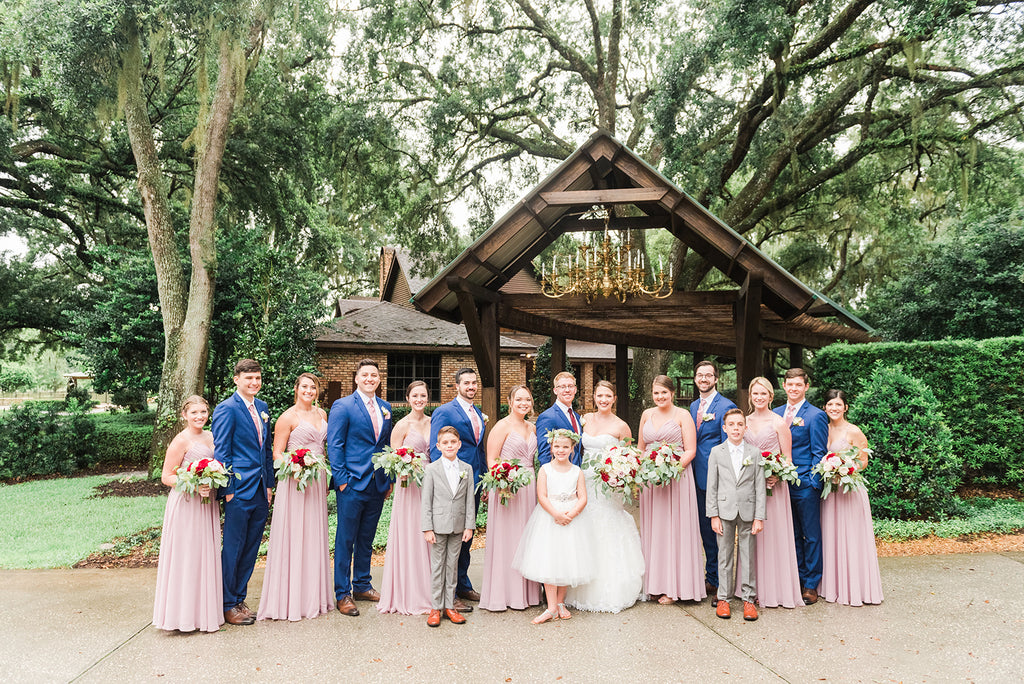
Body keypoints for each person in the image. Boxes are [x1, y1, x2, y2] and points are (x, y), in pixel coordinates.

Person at [257, 373, 332, 621]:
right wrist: (296, 467)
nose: (309, 391)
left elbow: (323, 448)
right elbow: (276, 453)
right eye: (305, 387)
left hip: (317, 479)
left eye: (313, 387)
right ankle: (290, 598)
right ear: (296, 389)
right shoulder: (287, 417)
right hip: (295, 480)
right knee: (295, 533)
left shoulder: (322, 415)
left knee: (313, 534)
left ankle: (313, 595)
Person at [565, 380, 645, 613]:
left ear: (614, 399)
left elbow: (632, 459)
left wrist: (622, 479)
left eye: (608, 396)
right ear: (594, 397)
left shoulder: (621, 426)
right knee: (586, 526)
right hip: (585, 481)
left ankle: (611, 587)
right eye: (600, 396)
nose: (603, 400)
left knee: (608, 527)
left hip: (609, 486)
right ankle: (580, 582)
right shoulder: (584, 420)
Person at [327, 359, 393, 617]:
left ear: (378, 379)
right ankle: (342, 593)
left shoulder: (385, 408)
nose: (369, 379)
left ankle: (362, 585)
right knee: (345, 538)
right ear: (356, 378)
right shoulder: (343, 406)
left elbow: (385, 445)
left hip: (377, 483)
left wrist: (388, 479)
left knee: (367, 538)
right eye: (365, 375)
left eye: (374, 375)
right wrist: (342, 479)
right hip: (352, 483)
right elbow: (335, 444)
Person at [212, 359, 275, 626]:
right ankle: (227, 604)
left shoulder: (263, 408)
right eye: (249, 378)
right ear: (236, 379)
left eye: (258, 378)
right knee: (234, 548)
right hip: (238, 490)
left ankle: (239, 598)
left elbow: (266, 449)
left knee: (251, 548)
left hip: (260, 490)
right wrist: (227, 489)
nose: (254, 383)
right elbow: (222, 451)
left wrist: (270, 484)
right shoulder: (226, 409)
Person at [153, 396, 223, 632]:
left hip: (207, 503)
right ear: (184, 415)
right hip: (186, 504)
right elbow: (166, 477)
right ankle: (181, 616)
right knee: (187, 556)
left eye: (203, 412)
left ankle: (204, 614)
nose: (199, 416)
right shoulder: (180, 441)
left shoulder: (212, 436)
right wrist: (194, 484)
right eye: (194, 413)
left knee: (205, 554)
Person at [513, 430, 595, 624]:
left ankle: (560, 603)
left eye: (565, 447)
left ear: (572, 448)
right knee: (549, 559)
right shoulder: (545, 470)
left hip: (571, 518)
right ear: (551, 447)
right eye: (557, 446)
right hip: (549, 517)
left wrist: (571, 514)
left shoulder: (577, 471)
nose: (561, 450)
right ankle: (550, 607)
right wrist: (556, 514)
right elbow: (542, 496)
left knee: (567, 559)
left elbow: (583, 497)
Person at [638, 375, 704, 604]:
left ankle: (674, 587)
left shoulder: (683, 415)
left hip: (676, 478)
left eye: (663, 393)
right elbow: (641, 448)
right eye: (656, 393)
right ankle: (655, 584)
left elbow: (690, 450)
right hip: (651, 483)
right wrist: (642, 474)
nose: (659, 397)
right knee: (655, 530)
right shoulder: (646, 414)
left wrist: (669, 470)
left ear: (672, 393)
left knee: (674, 530)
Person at [739, 376, 802, 608]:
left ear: (771, 396)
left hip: (772, 488)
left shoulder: (779, 423)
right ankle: (749, 588)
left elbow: (787, 458)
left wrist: (776, 474)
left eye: (763, 393)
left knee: (772, 535)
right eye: (755, 394)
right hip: (747, 487)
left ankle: (774, 588)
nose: (759, 397)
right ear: (750, 396)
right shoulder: (743, 422)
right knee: (750, 537)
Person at [478, 385, 542, 612]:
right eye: (519, 399)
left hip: (529, 488)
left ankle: (527, 593)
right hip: (506, 488)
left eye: (528, 399)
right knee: (508, 539)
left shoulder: (533, 428)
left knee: (527, 537)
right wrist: (505, 480)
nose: (524, 403)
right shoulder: (501, 427)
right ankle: (504, 593)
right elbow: (492, 460)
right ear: (510, 401)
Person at [428, 367, 487, 610]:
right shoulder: (444, 411)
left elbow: (478, 448)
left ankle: (462, 583)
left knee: (466, 536)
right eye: (466, 383)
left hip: (473, 480)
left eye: (474, 382)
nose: (471, 386)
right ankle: (448, 595)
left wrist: (483, 479)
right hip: (451, 486)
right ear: (457, 386)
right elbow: (435, 447)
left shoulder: (479, 413)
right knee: (450, 538)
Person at [821, 389, 884, 606]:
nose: (834, 408)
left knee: (850, 537)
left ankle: (855, 587)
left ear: (845, 407)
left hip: (849, 491)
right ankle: (833, 586)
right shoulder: (823, 429)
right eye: (830, 405)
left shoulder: (854, 431)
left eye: (838, 405)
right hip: (830, 493)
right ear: (824, 407)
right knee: (832, 536)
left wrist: (845, 470)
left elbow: (863, 461)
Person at [773, 367, 828, 605]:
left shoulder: (815, 415)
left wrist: (812, 482)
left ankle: (811, 583)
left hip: (804, 483)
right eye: (790, 384)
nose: (793, 388)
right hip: (779, 486)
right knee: (791, 534)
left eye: (798, 385)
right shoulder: (775, 414)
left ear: (806, 387)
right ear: (784, 386)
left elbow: (819, 453)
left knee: (811, 534)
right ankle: (795, 577)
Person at [378, 380, 433, 615]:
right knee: (411, 533)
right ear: (408, 399)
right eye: (415, 396)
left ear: (427, 398)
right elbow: (392, 458)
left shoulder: (434, 422)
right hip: (408, 485)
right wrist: (404, 468)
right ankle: (408, 591)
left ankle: (431, 589)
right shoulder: (401, 425)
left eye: (423, 395)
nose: (419, 399)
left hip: (431, 484)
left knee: (430, 533)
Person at [708, 408, 766, 621]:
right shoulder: (716, 452)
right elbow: (711, 486)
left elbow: (760, 487)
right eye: (731, 424)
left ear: (745, 427)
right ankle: (723, 598)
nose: (735, 428)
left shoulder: (754, 453)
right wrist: (713, 514)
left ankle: (749, 600)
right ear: (724, 428)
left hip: (748, 510)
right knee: (724, 556)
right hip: (724, 510)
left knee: (748, 556)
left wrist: (759, 516)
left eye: (739, 424)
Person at [689, 360, 737, 596]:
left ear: (716, 379)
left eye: (709, 375)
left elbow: (729, 445)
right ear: (695, 379)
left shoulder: (726, 406)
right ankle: (712, 577)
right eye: (700, 375)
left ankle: (722, 581)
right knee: (705, 530)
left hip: (716, 477)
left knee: (721, 530)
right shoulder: (692, 406)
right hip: (694, 476)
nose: (704, 379)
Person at [421, 426, 476, 627]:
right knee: (437, 567)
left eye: (453, 442)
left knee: (452, 567)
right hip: (437, 526)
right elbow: (426, 501)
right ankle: (436, 608)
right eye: (445, 443)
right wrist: (427, 528)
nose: (449, 445)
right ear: (438, 446)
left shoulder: (467, 469)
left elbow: (470, 500)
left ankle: (450, 606)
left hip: (458, 526)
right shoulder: (431, 469)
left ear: (459, 444)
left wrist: (469, 526)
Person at [535, 371, 585, 466]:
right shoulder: (547, 417)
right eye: (562, 387)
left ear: (575, 389)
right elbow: (545, 454)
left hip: (577, 473)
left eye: (570, 386)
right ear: (555, 390)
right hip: (559, 474)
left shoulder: (577, 417)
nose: (567, 390)